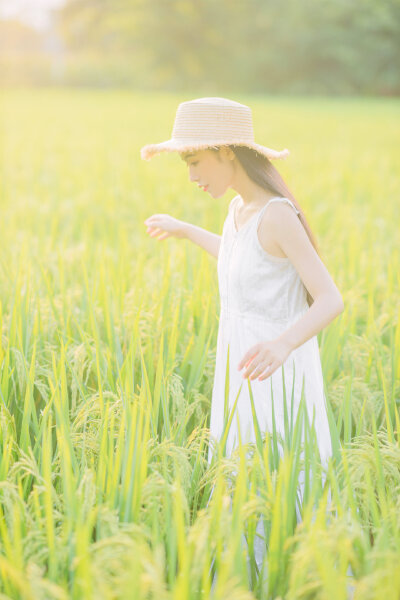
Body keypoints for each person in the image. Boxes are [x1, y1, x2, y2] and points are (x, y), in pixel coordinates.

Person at [141, 96, 344, 572]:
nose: (191, 175)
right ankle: (251, 575)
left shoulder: (277, 214)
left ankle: (296, 573)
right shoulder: (238, 210)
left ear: (228, 151)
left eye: (194, 161)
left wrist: (282, 343)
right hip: (242, 373)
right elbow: (243, 261)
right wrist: (186, 229)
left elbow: (332, 298)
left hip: (277, 374)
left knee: (281, 479)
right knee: (246, 481)